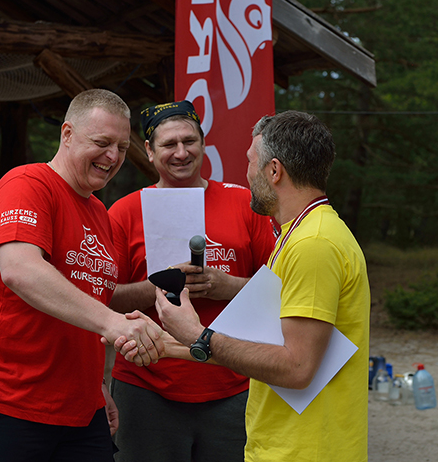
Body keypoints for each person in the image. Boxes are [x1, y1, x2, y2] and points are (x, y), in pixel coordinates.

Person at [0, 89, 165, 462]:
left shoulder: (99, 213)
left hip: (82, 408)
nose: (113, 156)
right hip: (9, 401)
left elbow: (88, 302)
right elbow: (20, 269)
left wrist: (97, 385)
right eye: (101, 142)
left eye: (121, 147)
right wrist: (114, 323)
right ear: (67, 134)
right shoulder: (27, 184)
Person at [152, 110, 370, 462]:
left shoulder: (313, 243)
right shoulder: (298, 234)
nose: (247, 173)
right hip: (288, 446)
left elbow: (296, 368)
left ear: (274, 170)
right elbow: (266, 347)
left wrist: (197, 336)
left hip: (306, 451)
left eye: (250, 162)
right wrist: (166, 344)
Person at [107, 100, 276, 462]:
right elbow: (103, 298)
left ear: (203, 143)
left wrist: (226, 285)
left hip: (234, 382)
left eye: (189, 141)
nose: (181, 153)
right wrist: (157, 286)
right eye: (169, 144)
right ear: (149, 151)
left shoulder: (245, 203)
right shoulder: (124, 212)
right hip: (146, 386)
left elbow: (280, 289)